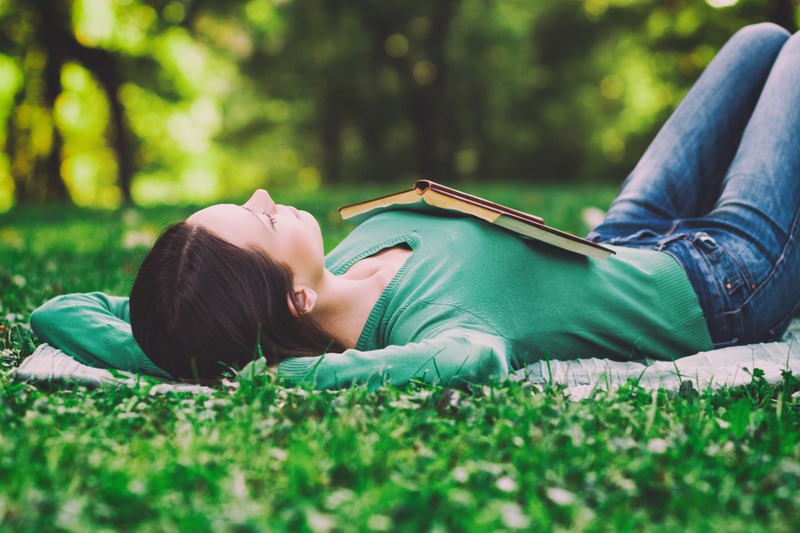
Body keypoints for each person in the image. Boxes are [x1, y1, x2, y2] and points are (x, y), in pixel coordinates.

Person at [30, 23, 800, 390]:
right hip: (722, 283)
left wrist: (179, 343)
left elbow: (60, 311)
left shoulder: (330, 264)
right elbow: (474, 360)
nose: (264, 195)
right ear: (293, 297)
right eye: (258, 218)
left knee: (759, 39)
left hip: (620, 238)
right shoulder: (429, 333)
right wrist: (275, 376)